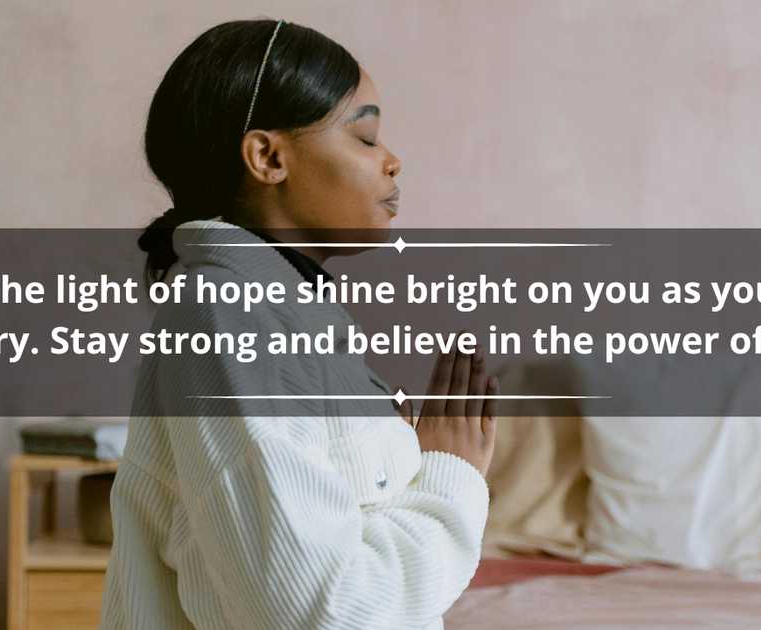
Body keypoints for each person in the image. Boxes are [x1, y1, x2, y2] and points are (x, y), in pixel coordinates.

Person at [100, 18, 499, 630]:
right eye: (365, 137)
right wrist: (452, 478)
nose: (393, 162)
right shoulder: (229, 315)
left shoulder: (278, 313)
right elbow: (320, 610)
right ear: (267, 156)